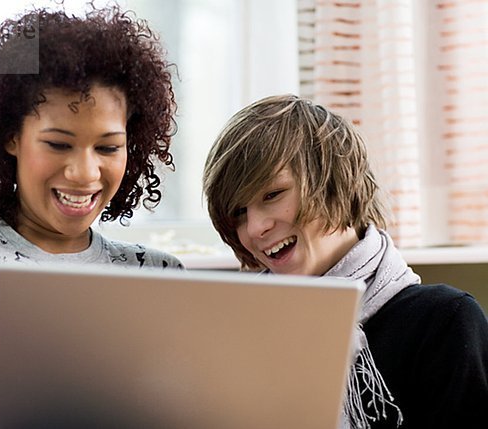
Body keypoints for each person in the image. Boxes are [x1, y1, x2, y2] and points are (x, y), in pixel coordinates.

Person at [0, 4, 183, 428]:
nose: (85, 173)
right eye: (59, 145)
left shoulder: (160, 275)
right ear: (11, 137)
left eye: (107, 147)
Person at [202, 94, 488, 428]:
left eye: (272, 194)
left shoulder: (443, 322)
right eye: (239, 213)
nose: (255, 228)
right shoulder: (236, 332)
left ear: (333, 182)